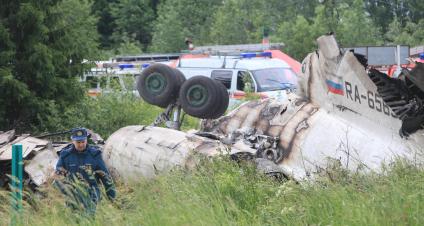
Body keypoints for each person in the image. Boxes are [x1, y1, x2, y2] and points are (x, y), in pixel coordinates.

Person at [54, 128, 116, 214]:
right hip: (73, 196)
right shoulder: (65, 155)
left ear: (86, 140)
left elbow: (106, 177)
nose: (81, 145)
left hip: (91, 194)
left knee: (88, 217)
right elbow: (58, 177)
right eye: (78, 142)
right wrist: (66, 192)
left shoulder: (95, 155)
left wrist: (112, 197)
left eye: (83, 141)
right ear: (73, 141)